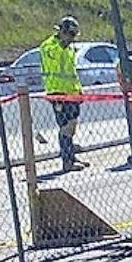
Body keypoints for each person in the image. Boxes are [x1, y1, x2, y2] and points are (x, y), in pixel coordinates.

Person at [39, 16, 87, 171]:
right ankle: (67, 161)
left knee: (71, 126)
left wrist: (78, 89)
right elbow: (54, 53)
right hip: (58, 92)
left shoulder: (70, 49)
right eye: (70, 35)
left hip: (71, 92)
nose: (72, 39)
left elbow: (71, 71)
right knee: (66, 126)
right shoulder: (48, 46)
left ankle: (70, 155)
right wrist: (63, 42)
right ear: (62, 32)